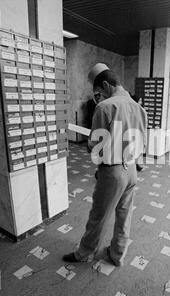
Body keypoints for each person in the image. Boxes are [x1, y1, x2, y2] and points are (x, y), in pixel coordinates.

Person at [63, 63, 147, 267]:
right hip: (132, 170)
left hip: (113, 172)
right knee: (124, 215)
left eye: (99, 92)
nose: (98, 98)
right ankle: (118, 254)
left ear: (106, 85)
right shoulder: (138, 107)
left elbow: (96, 147)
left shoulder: (105, 107)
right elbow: (142, 141)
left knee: (98, 215)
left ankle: (85, 253)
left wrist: (90, 148)